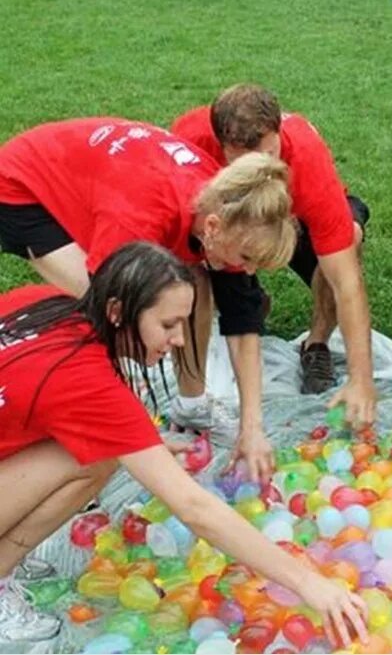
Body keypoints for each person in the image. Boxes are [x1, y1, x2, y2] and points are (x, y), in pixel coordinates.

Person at [0, 242, 368, 647]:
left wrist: (143, 442)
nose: (179, 339)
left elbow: (38, 396)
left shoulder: (46, 303)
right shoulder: (88, 384)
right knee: (98, 457)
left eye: (184, 324)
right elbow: (194, 508)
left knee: (100, 447)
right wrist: (309, 583)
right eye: (168, 324)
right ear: (117, 312)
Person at [0, 118, 297, 482]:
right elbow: (110, 308)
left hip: (102, 177)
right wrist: (132, 432)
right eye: (248, 259)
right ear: (213, 228)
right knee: (103, 313)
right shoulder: (141, 215)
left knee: (194, 282)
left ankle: (191, 405)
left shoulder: (233, 212)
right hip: (23, 186)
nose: (249, 271)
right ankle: (75, 441)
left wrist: (252, 427)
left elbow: (242, 322)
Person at [171, 85, 376, 426]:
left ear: (279, 130)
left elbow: (346, 281)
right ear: (221, 145)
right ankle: (192, 391)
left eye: (271, 154)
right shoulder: (189, 140)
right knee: (189, 275)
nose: (263, 171)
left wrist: (362, 379)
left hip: (293, 218)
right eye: (247, 163)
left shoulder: (308, 161)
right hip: (229, 223)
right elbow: (175, 232)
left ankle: (317, 345)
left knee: (348, 241)